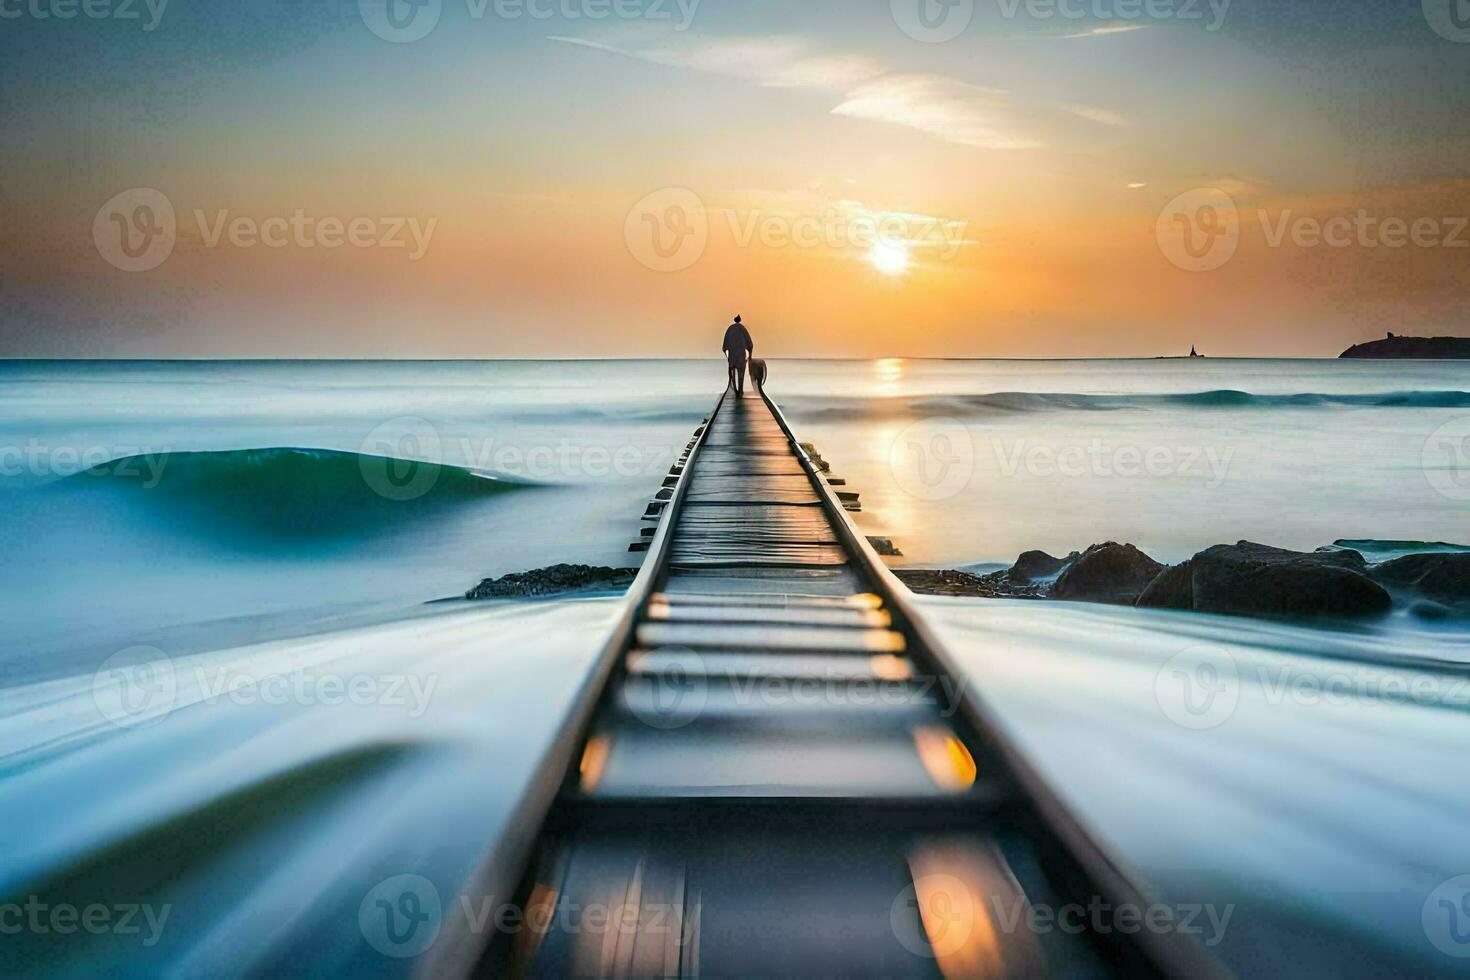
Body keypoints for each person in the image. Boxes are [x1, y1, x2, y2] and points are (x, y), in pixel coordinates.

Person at [722, 315, 754, 395]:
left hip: (732, 356)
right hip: (740, 356)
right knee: (741, 374)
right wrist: (749, 356)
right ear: (740, 320)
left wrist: (727, 356)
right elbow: (750, 344)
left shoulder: (730, 329)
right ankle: (740, 391)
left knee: (732, 373)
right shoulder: (743, 329)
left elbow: (724, 346)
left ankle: (735, 390)